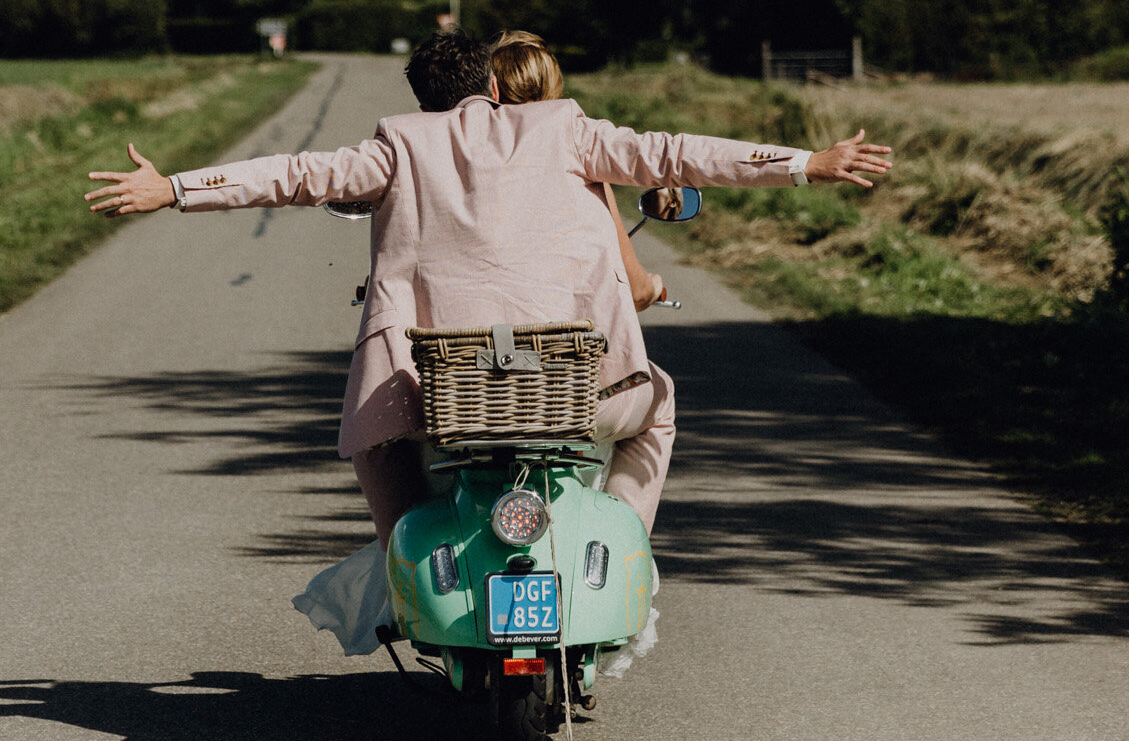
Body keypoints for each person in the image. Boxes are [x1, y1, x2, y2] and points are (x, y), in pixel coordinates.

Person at [83, 32, 890, 545]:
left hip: (438, 390)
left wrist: (177, 187)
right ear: (496, 89)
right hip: (577, 385)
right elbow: (674, 153)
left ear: (421, 100)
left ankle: (409, 556)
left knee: (377, 440)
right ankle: (624, 546)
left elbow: (294, 175)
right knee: (662, 402)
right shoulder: (565, 128)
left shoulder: (398, 143)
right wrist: (804, 163)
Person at [487, 30, 667, 313]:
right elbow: (634, 291)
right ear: (553, 91)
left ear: (491, 91)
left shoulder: (469, 164)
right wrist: (653, 287)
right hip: (560, 343)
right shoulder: (582, 167)